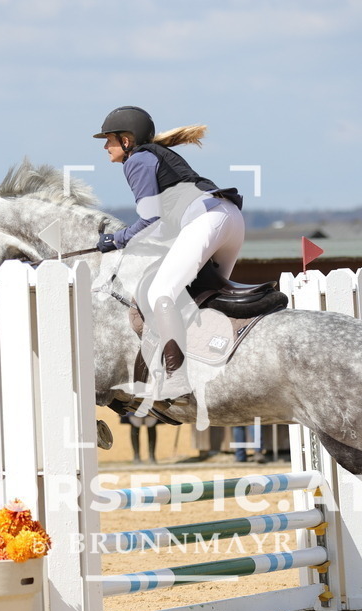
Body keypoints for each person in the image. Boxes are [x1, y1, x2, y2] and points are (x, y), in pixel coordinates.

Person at [93, 106, 245, 400]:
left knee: (160, 292)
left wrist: (116, 239)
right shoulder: (156, 156)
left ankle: (177, 378)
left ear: (126, 140)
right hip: (230, 219)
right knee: (204, 297)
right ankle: (219, 363)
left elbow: (150, 220)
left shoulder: (137, 160)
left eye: (109, 138)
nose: (105, 146)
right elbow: (163, 226)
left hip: (207, 221)